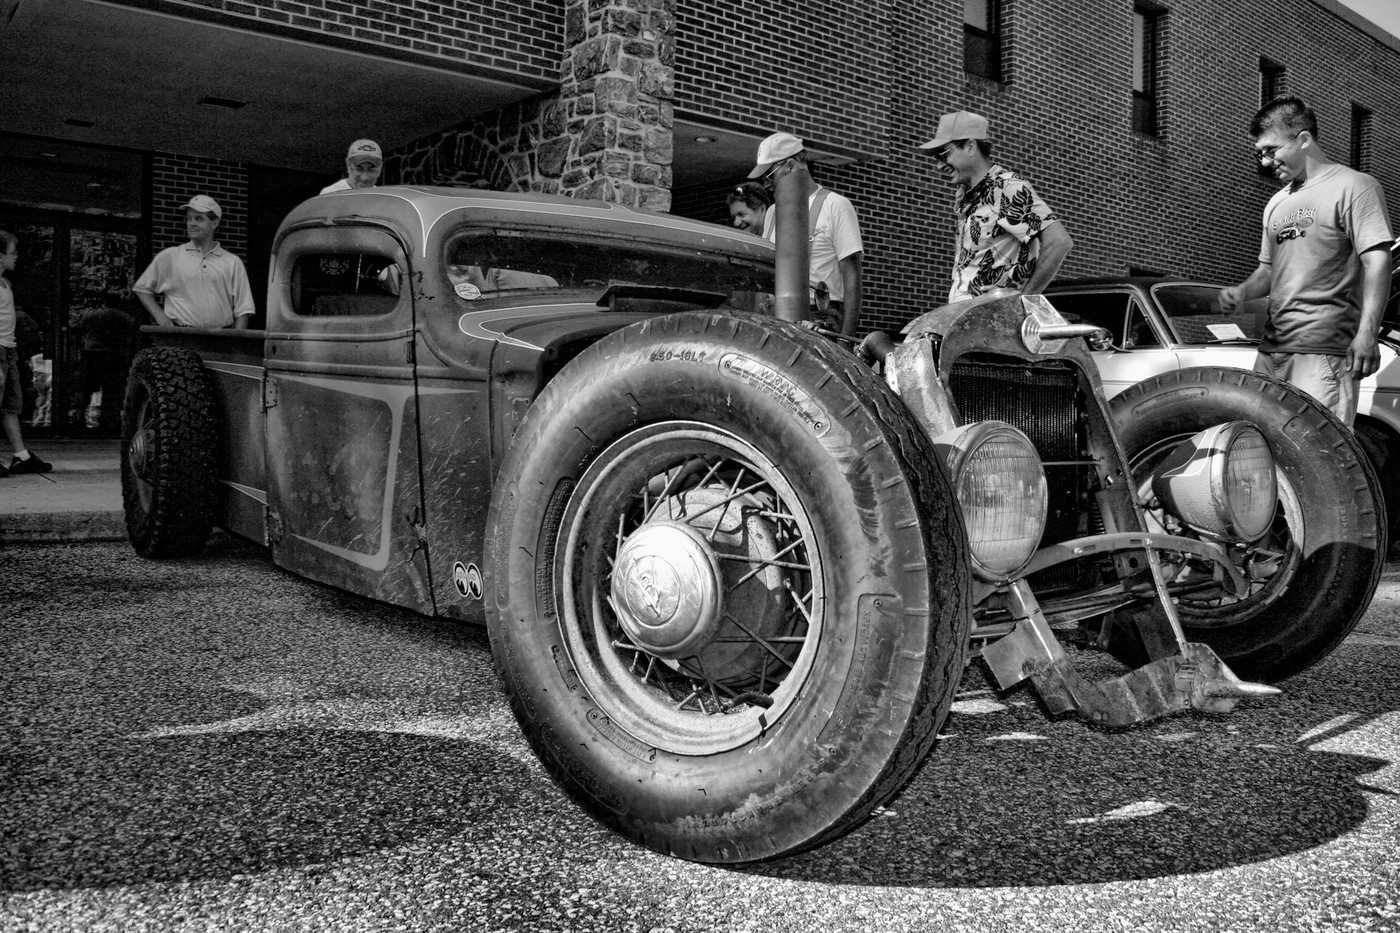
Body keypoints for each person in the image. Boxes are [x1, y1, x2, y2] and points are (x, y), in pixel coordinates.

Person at [1220, 96, 1394, 428]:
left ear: (1303, 139)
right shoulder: (1276, 204)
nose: (1266, 162)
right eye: (1259, 154)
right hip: (1273, 349)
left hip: (1324, 350)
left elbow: (1377, 262)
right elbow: (1268, 271)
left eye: (1271, 150)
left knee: (1320, 453)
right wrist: (1242, 292)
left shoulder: (1355, 187)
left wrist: (1368, 333)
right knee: (1263, 445)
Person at [921, 110, 1073, 303]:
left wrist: (1024, 299)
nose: (939, 165)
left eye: (944, 155)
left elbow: (1059, 242)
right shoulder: (967, 194)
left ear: (970, 146)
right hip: (966, 318)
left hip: (992, 322)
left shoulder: (1006, 187)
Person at [749, 132, 864, 336]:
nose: (766, 184)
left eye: (769, 175)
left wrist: (846, 339)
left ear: (791, 166)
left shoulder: (836, 206)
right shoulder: (772, 212)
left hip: (821, 317)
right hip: (778, 315)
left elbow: (852, 277)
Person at [134, 196, 256, 329]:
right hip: (181, 337)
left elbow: (244, 310)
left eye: (198, 219)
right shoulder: (170, 256)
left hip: (220, 340)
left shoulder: (232, 262)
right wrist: (161, 318)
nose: (191, 223)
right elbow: (142, 288)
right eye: (189, 218)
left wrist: (235, 344)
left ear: (214, 223)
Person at [0, 230, 52, 476]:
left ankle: (21, 456)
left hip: (8, 351)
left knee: (11, 406)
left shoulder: (5, 283)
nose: (17, 256)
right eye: (13, 252)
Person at [67, 294, 136, 432]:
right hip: (115, 354)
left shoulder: (92, 316)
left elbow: (76, 330)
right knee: (113, 390)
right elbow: (132, 336)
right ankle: (110, 420)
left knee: (85, 386)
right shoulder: (125, 318)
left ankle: (76, 416)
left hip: (92, 352)